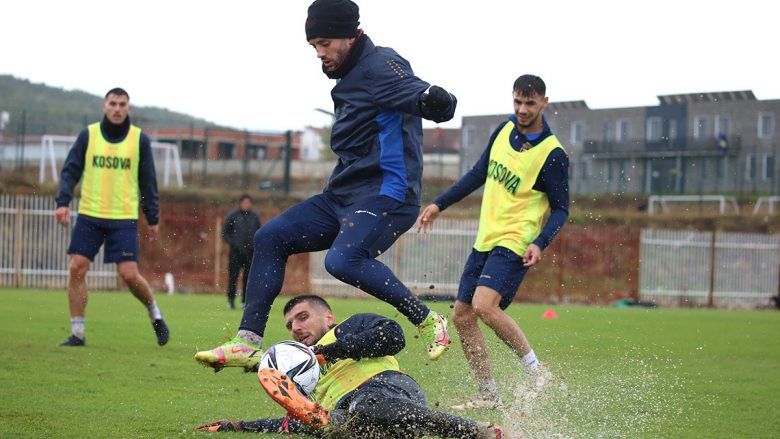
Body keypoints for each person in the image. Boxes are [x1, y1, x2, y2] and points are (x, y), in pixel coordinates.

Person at [195, 0, 457, 370]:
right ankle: (247, 342)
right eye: (313, 46)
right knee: (269, 237)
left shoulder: (381, 65)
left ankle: (429, 320)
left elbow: (422, 97)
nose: (319, 54)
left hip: (388, 194)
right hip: (341, 196)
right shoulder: (349, 74)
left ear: (350, 35)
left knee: (343, 260)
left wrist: (437, 103)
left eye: (325, 43)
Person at [417, 74, 569, 409]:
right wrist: (439, 203)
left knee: (485, 306)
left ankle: (537, 371)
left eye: (530, 103)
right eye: (517, 101)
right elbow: (477, 173)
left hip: (516, 241)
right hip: (485, 240)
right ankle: (488, 393)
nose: (522, 109)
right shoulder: (502, 131)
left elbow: (561, 210)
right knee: (462, 316)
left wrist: (540, 242)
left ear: (545, 102)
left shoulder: (552, 154)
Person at [195, 295, 510, 439]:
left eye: (302, 317)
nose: (295, 327)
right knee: (321, 423)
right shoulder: (304, 368)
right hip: (350, 418)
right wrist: (237, 426)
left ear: (328, 317)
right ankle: (331, 422)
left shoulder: (347, 327)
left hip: (387, 389)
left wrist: (327, 352)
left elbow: (393, 337)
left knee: (362, 408)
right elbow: (289, 423)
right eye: (290, 325)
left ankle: (480, 433)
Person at [54, 87, 169, 347]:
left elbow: (148, 181)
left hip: (122, 218)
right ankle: (77, 333)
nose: (117, 108)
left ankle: (155, 315)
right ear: (105, 106)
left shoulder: (140, 140)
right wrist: (62, 202)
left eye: (122, 104)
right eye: (113, 103)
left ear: (128, 108)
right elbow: (70, 171)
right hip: (89, 215)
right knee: (76, 268)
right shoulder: (89, 135)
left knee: (129, 274)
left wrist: (152, 216)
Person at [222, 194, 262, 310]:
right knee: (233, 277)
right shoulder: (233, 216)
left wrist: (255, 246)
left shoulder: (255, 217)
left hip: (250, 253)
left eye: (248, 203)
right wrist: (234, 244)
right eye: (244, 202)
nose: (246, 205)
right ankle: (230, 301)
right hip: (235, 253)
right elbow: (225, 232)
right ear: (240, 203)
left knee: (248, 278)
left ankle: (245, 301)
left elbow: (260, 233)